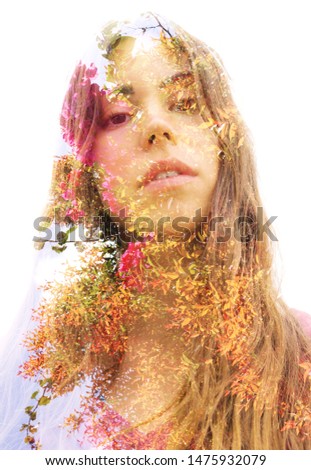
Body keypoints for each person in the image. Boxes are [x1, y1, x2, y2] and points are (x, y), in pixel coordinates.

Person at [1, 11, 310, 450]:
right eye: (119, 114)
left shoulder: (301, 365)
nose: (157, 127)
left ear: (226, 142)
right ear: (84, 169)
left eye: (186, 103)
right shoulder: (32, 394)